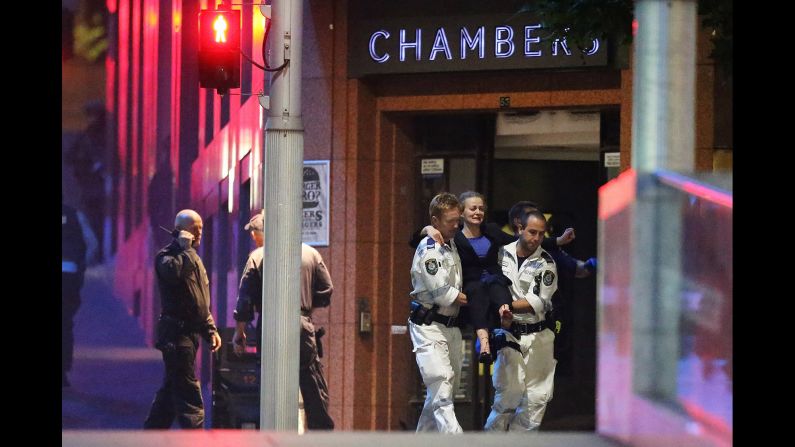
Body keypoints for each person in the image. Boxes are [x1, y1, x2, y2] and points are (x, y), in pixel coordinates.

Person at [232, 211, 335, 430]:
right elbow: (326, 290)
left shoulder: (258, 256)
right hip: (302, 324)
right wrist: (304, 308)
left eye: (256, 231)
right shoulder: (311, 253)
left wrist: (239, 331)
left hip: (269, 324)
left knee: (271, 383)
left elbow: (245, 299)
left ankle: (274, 432)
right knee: (311, 382)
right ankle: (321, 436)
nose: (254, 237)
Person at [144, 209, 222, 429]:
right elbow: (173, 273)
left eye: (201, 229)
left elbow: (199, 299)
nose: (199, 234)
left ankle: (150, 435)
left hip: (188, 334)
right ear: (182, 231)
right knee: (189, 393)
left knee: (170, 391)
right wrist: (184, 248)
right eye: (195, 230)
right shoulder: (166, 256)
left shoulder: (193, 257)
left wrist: (210, 329)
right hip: (176, 336)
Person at [484, 209, 558, 432]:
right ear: (519, 229)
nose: (536, 238)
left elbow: (540, 301)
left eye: (541, 234)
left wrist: (504, 305)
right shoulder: (499, 254)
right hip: (509, 332)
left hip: (538, 337)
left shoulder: (547, 262)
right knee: (507, 395)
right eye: (532, 232)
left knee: (536, 401)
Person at [408, 192, 468, 433]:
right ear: (435, 221)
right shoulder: (430, 249)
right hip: (429, 326)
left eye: (458, 220)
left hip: (451, 327)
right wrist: (467, 296)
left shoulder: (451, 242)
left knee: (441, 393)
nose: (456, 225)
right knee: (442, 386)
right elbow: (445, 294)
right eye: (450, 221)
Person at [62, 200, 98, 387]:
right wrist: (81, 266)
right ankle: (63, 370)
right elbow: (91, 244)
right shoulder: (75, 215)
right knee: (65, 322)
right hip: (69, 273)